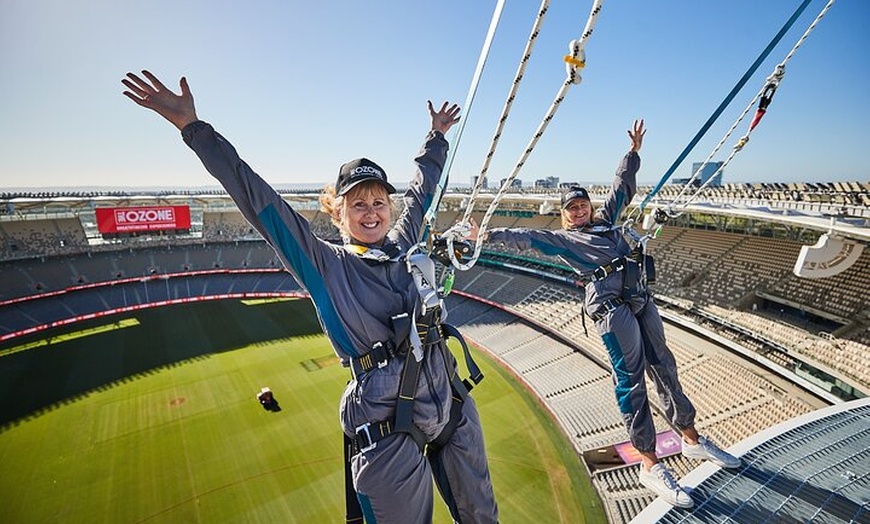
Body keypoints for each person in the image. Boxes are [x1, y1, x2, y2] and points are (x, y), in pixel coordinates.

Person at [122, 70, 498, 524]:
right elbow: (256, 197)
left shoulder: (405, 243)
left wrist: (436, 137)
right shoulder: (324, 264)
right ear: (337, 212)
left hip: (450, 404)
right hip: (388, 429)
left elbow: (423, 187)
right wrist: (194, 129)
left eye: (379, 201)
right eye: (357, 204)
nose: (371, 211)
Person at [481, 120, 740, 509]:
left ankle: (692, 441)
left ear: (589, 205)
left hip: (639, 297)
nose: (578, 210)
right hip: (611, 308)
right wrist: (485, 236)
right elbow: (527, 238)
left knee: (665, 367)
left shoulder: (608, 222)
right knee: (631, 380)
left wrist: (633, 153)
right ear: (564, 215)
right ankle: (650, 465)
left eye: (581, 203)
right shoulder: (565, 240)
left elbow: (622, 186)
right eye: (571, 208)